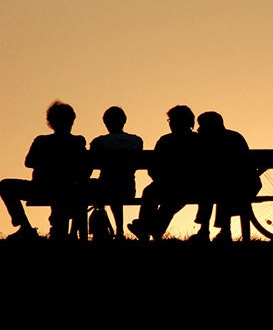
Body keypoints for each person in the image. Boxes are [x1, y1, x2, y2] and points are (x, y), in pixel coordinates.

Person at [0, 100, 90, 240]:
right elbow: (84, 165)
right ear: (71, 121)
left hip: (41, 188)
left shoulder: (42, 141)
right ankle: (47, 229)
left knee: (5, 185)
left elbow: (29, 162)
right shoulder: (78, 141)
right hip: (67, 189)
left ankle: (25, 227)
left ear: (50, 122)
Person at [127, 105, 201, 241]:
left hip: (187, 185)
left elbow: (153, 166)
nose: (171, 123)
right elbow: (153, 166)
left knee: (155, 194)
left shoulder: (167, 141)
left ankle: (147, 228)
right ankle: (151, 229)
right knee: (154, 194)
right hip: (183, 185)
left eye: (172, 120)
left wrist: (162, 179)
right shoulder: (197, 140)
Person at [189, 111, 261, 243]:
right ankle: (222, 231)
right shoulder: (234, 136)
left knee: (214, 188)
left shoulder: (210, 142)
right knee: (217, 186)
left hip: (241, 185)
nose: (199, 129)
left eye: (202, 125)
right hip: (245, 183)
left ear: (210, 126)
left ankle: (208, 231)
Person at [88, 106, 143, 240]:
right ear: (124, 121)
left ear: (105, 123)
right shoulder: (136, 141)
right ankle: (119, 231)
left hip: (104, 188)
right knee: (115, 187)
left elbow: (88, 166)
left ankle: (86, 231)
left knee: (94, 186)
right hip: (128, 188)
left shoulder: (99, 142)